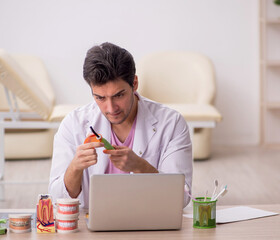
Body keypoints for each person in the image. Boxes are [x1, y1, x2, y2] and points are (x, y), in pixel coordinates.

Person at [48, 42, 193, 208]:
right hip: (92, 229)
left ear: (134, 84)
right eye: (100, 98)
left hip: (149, 223)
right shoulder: (73, 124)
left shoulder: (171, 123)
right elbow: (55, 199)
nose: (110, 108)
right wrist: (75, 168)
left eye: (119, 95)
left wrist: (141, 167)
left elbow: (182, 198)